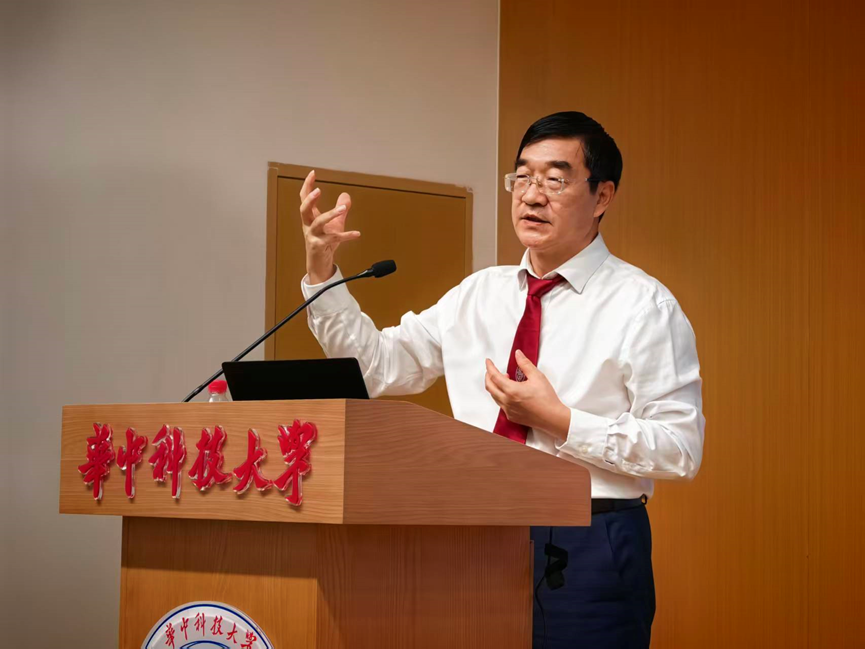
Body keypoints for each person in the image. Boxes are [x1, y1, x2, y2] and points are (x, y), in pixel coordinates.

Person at [297, 111, 705, 649]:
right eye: (523, 177)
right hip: (473, 534)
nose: (532, 196)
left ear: (602, 196)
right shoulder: (478, 294)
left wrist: (560, 421)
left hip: (590, 543)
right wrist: (323, 272)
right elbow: (375, 368)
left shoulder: (643, 305)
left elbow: (679, 448)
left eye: (555, 180)